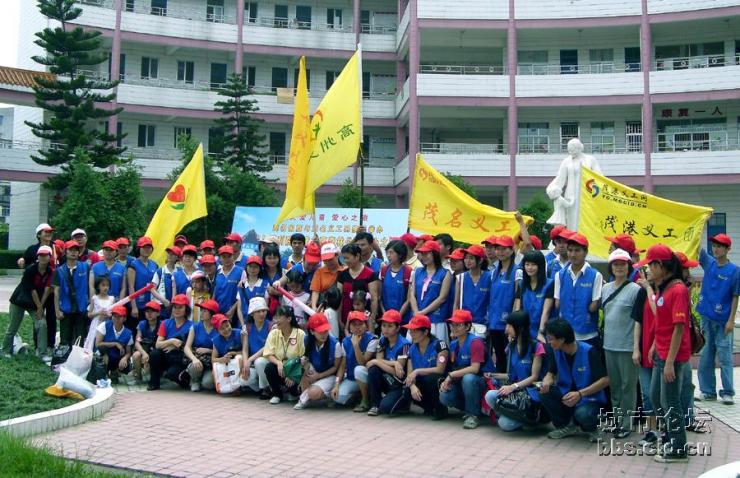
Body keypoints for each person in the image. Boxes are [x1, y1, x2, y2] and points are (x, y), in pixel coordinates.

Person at [637, 245, 692, 462]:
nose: (647, 270)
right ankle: (669, 435)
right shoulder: (662, 287)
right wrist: (653, 346)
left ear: (660, 265)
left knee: (671, 401)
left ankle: (679, 448)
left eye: (650, 265)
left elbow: (678, 328)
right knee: (656, 397)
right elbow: (662, 321)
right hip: (661, 351)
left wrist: (669, 362)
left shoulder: (677, 290)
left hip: (672, 356)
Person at [539, 319, 609, 442]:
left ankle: (592, 429)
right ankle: (567, 426)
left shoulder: (588, 351)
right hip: (567, 394)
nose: (548, 342)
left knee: (583, 413)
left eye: (551, 339)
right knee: (545, 394)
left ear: (562, 339)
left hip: (588, 398)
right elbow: (551, 372)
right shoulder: (557, 351)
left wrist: (580, 394)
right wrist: (547, 380)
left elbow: (605, 380)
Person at [601, 249, 641, 438]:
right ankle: (617, 420)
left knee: (628, 387)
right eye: (615, 264)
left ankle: (626, 424)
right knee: (615, 386)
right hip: (609, 345)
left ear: (628, 266)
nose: (619, 267)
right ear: (611, 267)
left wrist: (636, 348)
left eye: (623, 264)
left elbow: (639, 321)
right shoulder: (605, 289)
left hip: (627, 347)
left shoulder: (635, 290)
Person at [484, 310, 546, 431]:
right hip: (515, 392)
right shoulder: (511, 347)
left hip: (529, 394)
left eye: (509, 326)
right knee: (490, 396)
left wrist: (513, 387)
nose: (506, 330)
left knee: (504, 424)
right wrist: (492, 375)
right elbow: (510, 375)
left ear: (520, 328)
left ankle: (529, 418)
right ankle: (516, 416)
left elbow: (534, 377)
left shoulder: (536, 347)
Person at [696, 233, 739, 405]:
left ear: (728, 249)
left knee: (725, 357)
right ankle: (708, 391)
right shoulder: (709, 263)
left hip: (723, 322)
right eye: (714, 246)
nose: (715, 249)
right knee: (706, 356)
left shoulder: (734, 271)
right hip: (706, 318)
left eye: (720, 246)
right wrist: (697, 226)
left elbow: (735, 296)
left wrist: (731, 320)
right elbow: (697, 248)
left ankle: (727, 392)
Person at [440, 309, 495, 429]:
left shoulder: (475, 342)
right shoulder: (454, 344)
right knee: (444, 396)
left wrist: (451, 375)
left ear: (467, 326)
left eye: (458, 325)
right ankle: (475, 408)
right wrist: (447, 381)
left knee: (469, 378)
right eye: (452, 324)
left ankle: (473, 415)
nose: (454, 327)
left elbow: (475, 369)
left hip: (482, 382)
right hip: (462, 382)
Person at [392, 314, 448, 419]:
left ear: (426, 332)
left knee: (431, 379)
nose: (411, 334)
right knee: (408, 391)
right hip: (421, 381)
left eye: (415, 331)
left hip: (438, 382)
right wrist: (412, 386)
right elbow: (410, 374)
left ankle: (441, 408)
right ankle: (428, 407)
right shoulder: (412, 348)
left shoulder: (439, 345)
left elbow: (440, 369)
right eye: (410, 330)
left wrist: (417, 371)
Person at [4, 245, 54, 358]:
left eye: (45, 255)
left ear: (50, 257)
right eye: (40, 255)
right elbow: (32, 290)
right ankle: (5, 350)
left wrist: (40, 307)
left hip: (35, 303)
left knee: (42, 324)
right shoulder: (30, 270)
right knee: (13, 326)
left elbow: (47, 289)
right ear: (37, 257)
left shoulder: (50, 271)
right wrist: (40, 307)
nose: (43, 257)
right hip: (19, 300)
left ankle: (42, 353)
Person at [554, 233, 603, 348]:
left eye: (577, 250)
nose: (573, 254)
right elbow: (557, 303)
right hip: (565, 333)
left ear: (585, 252)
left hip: (587, 334)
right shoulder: (560, 275)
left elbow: (594, 305)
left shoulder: (595, 275)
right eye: (570, 250)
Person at [293, 313, 344, 410]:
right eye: (320, 331)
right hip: (315, 370)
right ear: (312, 331)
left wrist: (319, 376)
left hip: (330, 376)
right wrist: (303, 363)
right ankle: (305, 398)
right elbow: (306, 358)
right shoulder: (307, 340)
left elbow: (336, 368)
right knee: (302, 366)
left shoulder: (335, 344)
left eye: (326, 331)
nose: (324, 334)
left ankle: (326, 397)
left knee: (313, 393)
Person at [365, 309, 410, 416]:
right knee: (373, 369)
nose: (386, 329)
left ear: (398, 328)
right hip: (386, 378)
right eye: (384, 325)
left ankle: (404, 403)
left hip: (398, 384)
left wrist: (377, 362)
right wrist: (394, 363)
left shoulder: (405, 344)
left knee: (386, 408)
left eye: (390, 326)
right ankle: (375, 405)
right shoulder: (382, 340)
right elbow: (378, 360)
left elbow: (398, 373)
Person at [408, 240, 453, 343]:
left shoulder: (445, 273)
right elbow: (412, 294)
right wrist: (416, 312)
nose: (424, 256)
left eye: (427, 253)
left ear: (435, 254)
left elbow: (442, 298)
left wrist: (423, 312)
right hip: (416, 318)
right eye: (422, 253)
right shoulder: (417, 271)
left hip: (435, 320)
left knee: (435, 347)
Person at [333, 311, 379, 410]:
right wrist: (336, 384)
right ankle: (357, 396)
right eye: (354, 325)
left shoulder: (373, 339)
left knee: (358, 369)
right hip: (351, 378)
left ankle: (365, 400)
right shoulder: (345, 341)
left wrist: (356, 346)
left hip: (366, 377)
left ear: (366, 326)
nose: (357, 327)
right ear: (349, 327)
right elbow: (342, 366)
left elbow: (362, 362)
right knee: (338, 397)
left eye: (360, 324)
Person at [148, 294, 193, 391]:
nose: (177, 310)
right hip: (167, 355)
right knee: (155, 353)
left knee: (172, 374)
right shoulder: (165, 323)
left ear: (186, 309)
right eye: (174, 307)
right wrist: (172, 341)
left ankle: (185, 381)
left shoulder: (192, 326)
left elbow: (190, 346)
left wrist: (177, 346)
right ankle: (154, 383)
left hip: (181, 359)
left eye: (180, 307)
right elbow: (158, 344)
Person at [262, 306, 306, 404]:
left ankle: (294, 393)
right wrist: (278, 363)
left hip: (295, 369)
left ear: (289, 319)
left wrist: (294, 374)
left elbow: (304, 358)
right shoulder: (274, 333)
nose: (276, 320)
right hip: (281, 369)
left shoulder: (300, 334)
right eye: (276, 317)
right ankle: (277, 394)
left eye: (279, 317)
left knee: (293, 391)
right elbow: (268, 354)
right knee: (269, 367)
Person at [487, 235, 519, 371]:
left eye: (504, 249)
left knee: (510, 358)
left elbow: (518, 298)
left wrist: (512, 323)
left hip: (508, 324)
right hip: (494, 322)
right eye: (498, 249)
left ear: (512, 250)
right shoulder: (494, 272)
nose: (500, 252)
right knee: (499, 357)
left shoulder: (517, 271)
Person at [54, 240, 90, 346]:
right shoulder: (59, 270)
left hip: (81, 308)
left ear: (79, 252)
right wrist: (57, 311)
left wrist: (90, 305)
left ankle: (78, 356)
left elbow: (90, 286)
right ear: (65, 252)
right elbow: (56, 292)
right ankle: (65, 355)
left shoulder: (85, 267)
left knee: (80, 339)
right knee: (65, 339)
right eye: (71, 250)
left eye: (76, 250)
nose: (73, 252)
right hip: (66, 309)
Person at [336, 243, 380, 330]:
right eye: (344, 258)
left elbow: (374, 299)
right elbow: (339, 298)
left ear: (357, 256)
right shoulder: (342, 274)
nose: (346, 261)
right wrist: (339, 319)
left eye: (348, 258)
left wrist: (372, 318)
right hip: (346, 317)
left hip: (364, 319)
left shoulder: (370, 274)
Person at [514, 251, 555, 342]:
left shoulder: (549, 284)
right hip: (524, 330)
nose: (530, 268)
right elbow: (517, 310)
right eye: (527, 264)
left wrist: (540, 332)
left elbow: (546, 311)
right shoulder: (521, 284)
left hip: (543, 330)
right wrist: (515, 329)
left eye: (533, 264)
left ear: (540, 266)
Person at [183, 299, 219, 391]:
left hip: (212, 361)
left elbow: (223, 349)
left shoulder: (219, 328)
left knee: (208, 384)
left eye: (204, 311)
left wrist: (209, 351)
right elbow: (187, 347)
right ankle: (195, 380)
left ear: (212, 313)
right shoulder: (195, 327)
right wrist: (194, 359)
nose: (201, 313)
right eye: (201, 310)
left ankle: (205, 378)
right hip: (198, 359)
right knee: (194, 367)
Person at [454, 245, 490, 331]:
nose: (467, 261)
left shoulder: (490, 277)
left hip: (483, 324)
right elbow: (456, 303)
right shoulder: (461, 277)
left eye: (471, 258)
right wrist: (454, 323)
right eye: (466, 258)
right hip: (463, 323)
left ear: (480, 260)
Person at [211, 313, 249, 394]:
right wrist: (222, 359)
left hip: (240, 363)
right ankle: (226, 387)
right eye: (222, 328)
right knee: (214, 371)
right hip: (226, 365)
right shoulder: (216, 340)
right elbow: (213, 359)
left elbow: (247, 351)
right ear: (217, 331)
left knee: (239, 358)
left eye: (227, 326)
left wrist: (235, 353)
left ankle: (237, 386)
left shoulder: (239, 333)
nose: (226, 329)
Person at [95, 305, 133, 383]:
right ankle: (104, 373)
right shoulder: (104, 325)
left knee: (127, 366)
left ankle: (115, 371)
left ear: (125, 318)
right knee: (103, 349)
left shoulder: (128, 333)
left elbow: (129, 352)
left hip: (117, 357)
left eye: (119, 316)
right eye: (114, 316)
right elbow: (98, 344)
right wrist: (115, 344)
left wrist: (125, 358)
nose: (116, 319)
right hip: (103, 354)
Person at [242, 297, 272, 396]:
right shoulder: (247, 328)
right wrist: (245, 363)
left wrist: (250, 359)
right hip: (252, 361)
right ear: (252, 314)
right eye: (258, 311)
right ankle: (260, 388)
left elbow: (267, 347)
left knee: (259, 362)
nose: (262, 314)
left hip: (267, 359)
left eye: (264, 311)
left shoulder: (271, 326)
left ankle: (266, 388)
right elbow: (245, 348)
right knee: (243, 380)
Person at [127, 236, 159, 324]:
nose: (146, 249)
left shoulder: (154, 265)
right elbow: (131, 287)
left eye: (149, 247)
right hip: (137, 305)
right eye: (144, 247)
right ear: (139, 249)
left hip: (151, 304)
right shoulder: (133, 265)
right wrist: (134, 307)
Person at [380, 240, 412, 322]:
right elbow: (379, 296)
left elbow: (409, 299)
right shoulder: (383, 271)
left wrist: (398, 317)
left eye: (391, 252)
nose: (388, 255)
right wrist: (385, 315)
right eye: (387, 252)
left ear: (400, 254)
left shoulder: (409, 272)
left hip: (402, 318)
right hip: (385, 317)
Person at [213, 245, 246, 321]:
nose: (227, 259)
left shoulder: (241, 272)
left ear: (233, 256)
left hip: (235, 315)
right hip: (218, 313)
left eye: (229, 256)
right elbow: (215, 292)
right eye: (224, 257)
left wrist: (233, 309)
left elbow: (243, 295)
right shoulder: (217, 272)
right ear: (220, 258)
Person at [132, 301, 161, 381]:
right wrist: (144, 353)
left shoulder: (163, 324)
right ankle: (138, 377)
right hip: (145, 349)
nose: (149, 314)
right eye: (147, 311)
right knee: (136, 355)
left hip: (157, 351)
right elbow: (137, 342)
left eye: (152, 311)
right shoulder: (142, 324)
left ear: (158, 313)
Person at [310, 243, 345, 310]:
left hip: (341, 307)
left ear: (337, 255)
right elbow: (315, 291)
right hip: (324, 307)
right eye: (325, 260)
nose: (328, 262)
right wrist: (314, 307)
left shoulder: (345, 270)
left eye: (330, 259)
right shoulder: (319, 272)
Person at [237, 255, 269, 326]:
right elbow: (239, 309)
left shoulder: (265, 285)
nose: (252, 269)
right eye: (250, 266)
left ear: (260, 269)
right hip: (244, 322)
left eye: (255, 267)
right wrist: (243, 325)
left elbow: (265, 307)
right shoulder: (241, 285)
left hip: (259, 324)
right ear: (246, 267)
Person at [150, 246, 182, 314]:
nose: (170, 255)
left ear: (177, 257)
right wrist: (164, 300)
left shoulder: (180, 271)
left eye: (173, 254)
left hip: (176, 306)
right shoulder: (160, 271)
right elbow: (152, 289)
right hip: (161, 306)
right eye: (169, 253)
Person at [87, 276, 115, 347]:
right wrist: (98, 313)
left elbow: (114, 314)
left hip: (107, 323)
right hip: (96, 323)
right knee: (93, 342)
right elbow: (89, 314)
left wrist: (109, 315)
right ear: (98, 286)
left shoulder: (112, 299)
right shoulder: (94, 298)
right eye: (103, 285)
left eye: (107, 285)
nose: (106, 287)